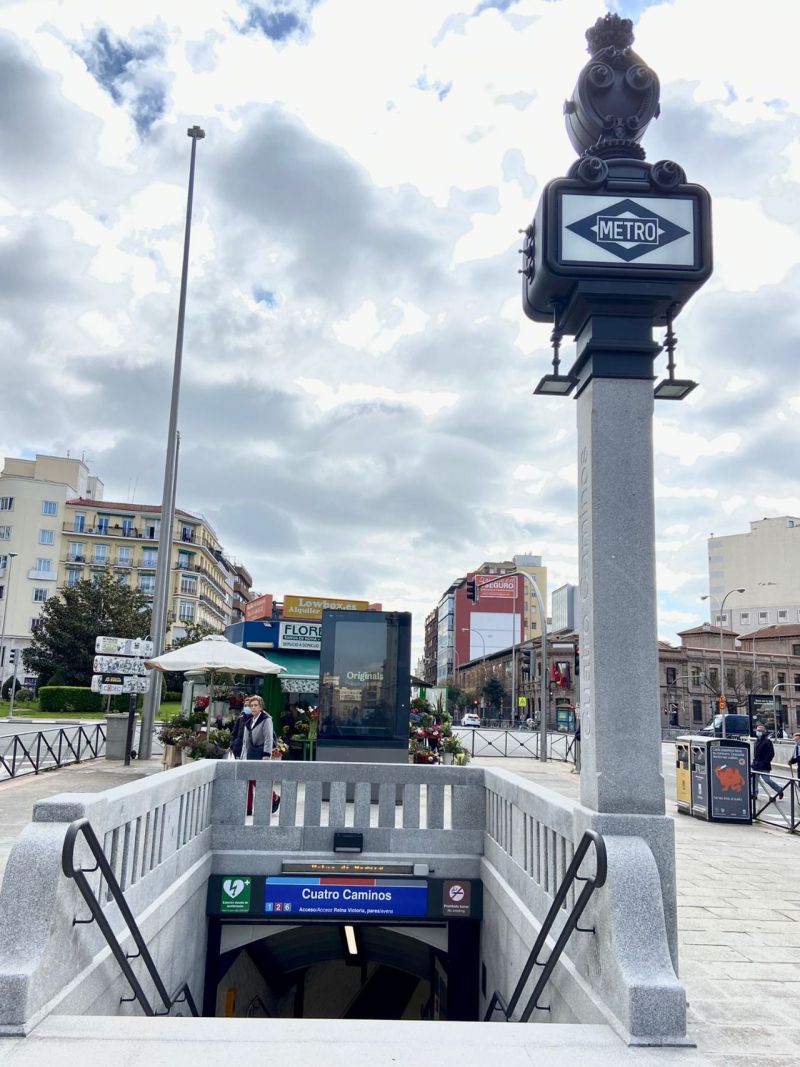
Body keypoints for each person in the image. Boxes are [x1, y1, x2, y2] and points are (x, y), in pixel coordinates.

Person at [242, 696, 279, 815]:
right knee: (250, 780)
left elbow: (269, 738)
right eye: (251, 706)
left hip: (261, 754)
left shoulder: (266, 719)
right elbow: (245, 742)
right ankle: (248, 808)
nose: (253, 708)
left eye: (255, 705)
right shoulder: (248, 722)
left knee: (259, 781)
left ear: (261, 707)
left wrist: (266, 755)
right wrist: (243, 756)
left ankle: (274, 797)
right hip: (250, 754)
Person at [751, 724, 784, 801]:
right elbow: (755, 753)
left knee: (767, 780)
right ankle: (754, 794)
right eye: (757, 730)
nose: (757, 732)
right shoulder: (756, 741)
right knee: (754, 779)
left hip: (764, 765)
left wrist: (765, 762)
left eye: (759, 731)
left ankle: (779, 790)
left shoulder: (767, 742)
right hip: (756, 764)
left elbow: (771, 753)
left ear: (763, 732)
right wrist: (754, 761)